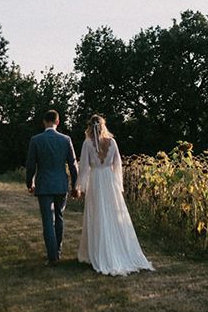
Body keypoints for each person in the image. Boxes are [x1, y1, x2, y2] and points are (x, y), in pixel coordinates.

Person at [77, 114, 154, 276]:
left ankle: (99, 252)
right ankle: (117, 250)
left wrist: (80, 187)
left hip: (96, 180)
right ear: (103, 125)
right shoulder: (112, 142)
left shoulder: (87, 144)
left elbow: (84, 167)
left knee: (97, 214)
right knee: (112, 214)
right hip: (109, 180)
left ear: (90, 126)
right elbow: (118, 165)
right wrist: (118, 184)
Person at [25, 109, 78, 266]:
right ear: (58, 121)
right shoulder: (66, 139)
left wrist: (30, 183)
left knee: (48, 220)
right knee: (59, 217)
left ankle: (52, 256)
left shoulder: (36, 140)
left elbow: (30, 165)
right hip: (61, 184)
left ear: (44, 122)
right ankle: (58, 251)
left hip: (44, 184)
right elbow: (73, 165)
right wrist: (75, 185)